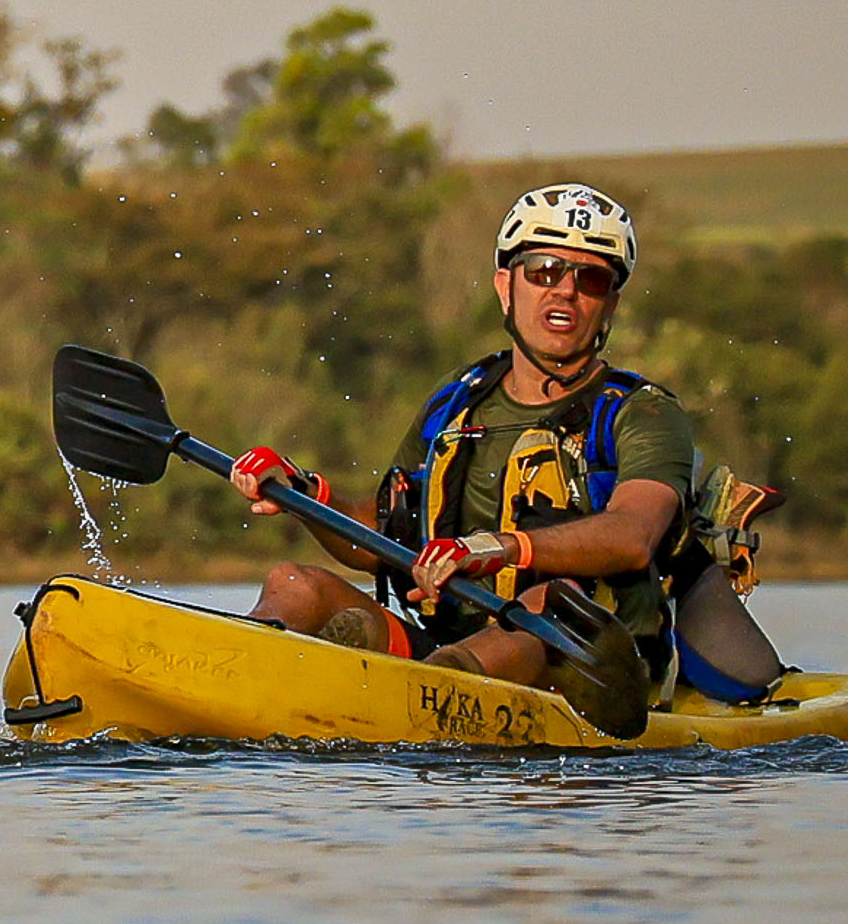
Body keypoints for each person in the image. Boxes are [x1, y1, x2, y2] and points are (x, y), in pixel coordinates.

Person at [228, 183, 696, 714]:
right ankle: (230, 673)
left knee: (551, 602)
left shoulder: (645, 413)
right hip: (446, 651)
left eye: (590, 279)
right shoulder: (460, 400)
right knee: (293, 584)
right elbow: (385, 536)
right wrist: (307, 496)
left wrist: (498, 547)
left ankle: (418, 699)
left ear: (609, 303)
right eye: (543, 270)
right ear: (506, 286)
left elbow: (633, 536)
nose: (565, 290)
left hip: (582, 670)